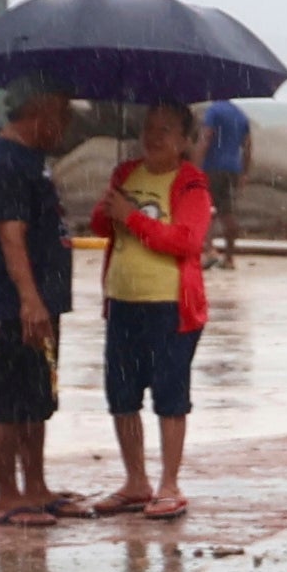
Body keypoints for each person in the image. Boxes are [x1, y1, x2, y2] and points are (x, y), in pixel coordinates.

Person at [85, 97, 212, 518]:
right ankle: (134, 481)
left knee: (170, 395)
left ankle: (169, 483)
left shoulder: (191, 183)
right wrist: (111, 207)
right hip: (123, 302)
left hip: (171, 305)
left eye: (165, 130)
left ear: (183, 140)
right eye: (148, 128)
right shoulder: (126, 173)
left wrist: (133, 217)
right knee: (121, 394)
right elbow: (101, 225)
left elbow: (187, 241)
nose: (154, 138)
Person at [0, 77, 77, 522]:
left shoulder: (32, 160)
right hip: (11, 302)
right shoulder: (4, 163)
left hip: (41, 299)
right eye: (62, 116)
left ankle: (37, 485)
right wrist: (28, 299)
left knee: (36, 394)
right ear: (39, 113)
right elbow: (11, 237)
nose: (65, 126)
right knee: (8, 398)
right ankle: (7, 496)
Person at [197, 90, 250, 271]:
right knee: (227, 212)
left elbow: (206, 138)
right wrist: (244, 172)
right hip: (232, 169)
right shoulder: (240, 115)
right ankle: (229, 258)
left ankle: (209, 251)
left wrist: (195, 166)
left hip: (212, 167)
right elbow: (248, 146)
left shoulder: (213, 111)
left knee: (205, 209)